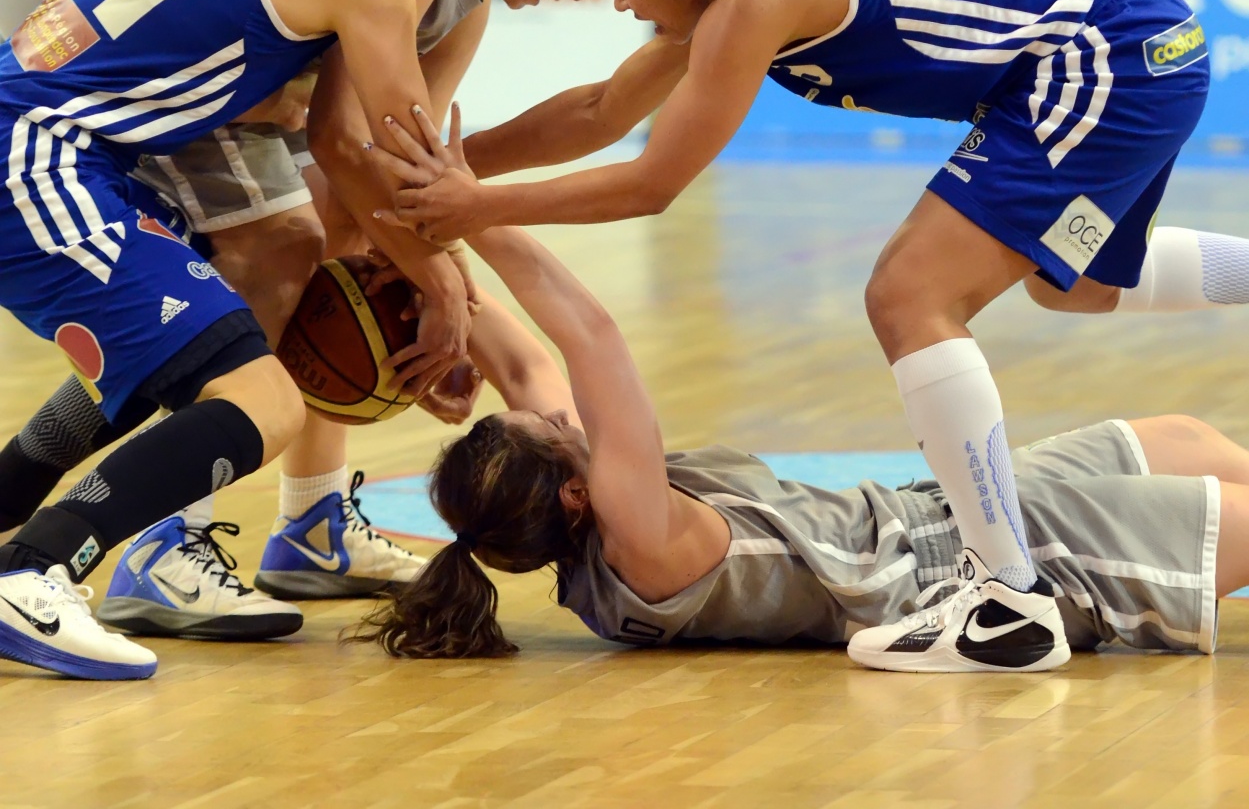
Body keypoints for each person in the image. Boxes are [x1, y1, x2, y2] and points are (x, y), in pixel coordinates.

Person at [380, 0, 1249, 673]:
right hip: (1127, 47)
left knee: (908, 295)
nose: (619, 2)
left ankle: (1007, 598)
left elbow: (651, 184)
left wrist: (474, 205)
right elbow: (601, 109)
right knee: (1075, 286)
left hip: (1101, 57)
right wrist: (457, 171)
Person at [0, 0, 628, 636]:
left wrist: (444, 298)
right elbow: (343, 139)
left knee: (323, 239)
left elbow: (399, 176)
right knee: (272, 246)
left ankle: (310, 519)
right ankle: (160, 541)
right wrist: (447, 292)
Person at [357, 119, 1241, 664]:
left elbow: (527, 369)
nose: (557, 415)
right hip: (945, 576)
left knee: (1183, 439)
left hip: (940, 513)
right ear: (576, 492)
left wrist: (431, 252)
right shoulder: (639, 541)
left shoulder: (585, 521)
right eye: (551, 430)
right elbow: (587, 335)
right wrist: (476, 207)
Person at [0, 0, 481, 680]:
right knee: (264, 400)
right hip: (41, 161)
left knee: (162, 365)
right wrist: (448, 287)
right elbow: (384, 159)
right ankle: (35, 570)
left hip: (56, 142)